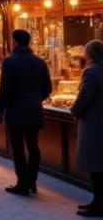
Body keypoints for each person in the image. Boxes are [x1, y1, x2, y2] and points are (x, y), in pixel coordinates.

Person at [0, 28, 53, 196]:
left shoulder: (10, 62)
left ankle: (22, 183)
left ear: (15, 42)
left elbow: (5, 89)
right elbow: (47, 88)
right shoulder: (40, 62)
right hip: (34, 110)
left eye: (12, 40)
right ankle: (32, 181)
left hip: (16, 111)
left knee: (18, 147)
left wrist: (0, 109)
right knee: (33, 146)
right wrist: (35, 99)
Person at [71, 40, 103, 217]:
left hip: (94, 122)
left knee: (95, 165)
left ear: (90, 54)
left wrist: (74, 111)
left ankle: (98, 204)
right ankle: (97, 201)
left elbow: (85, 97)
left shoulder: (91, 72)